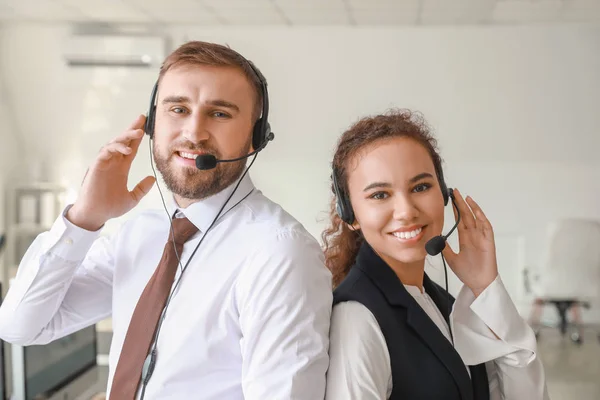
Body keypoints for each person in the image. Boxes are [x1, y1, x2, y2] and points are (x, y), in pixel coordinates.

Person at [0, 41, 332, 399]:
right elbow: (21, 326)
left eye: (219, 114)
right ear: (153, 122)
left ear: (256, 137)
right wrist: (84, 218)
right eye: (178, 109)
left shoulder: (279, 252)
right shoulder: (141, 233)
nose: (193, 133)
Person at [322, 109, 549, 399]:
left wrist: (485, 288)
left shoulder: (441, 303)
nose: (406, 211)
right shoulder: (356, 320)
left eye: (420, 187)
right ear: (350, 214)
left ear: (443, 194)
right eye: (380, 195)